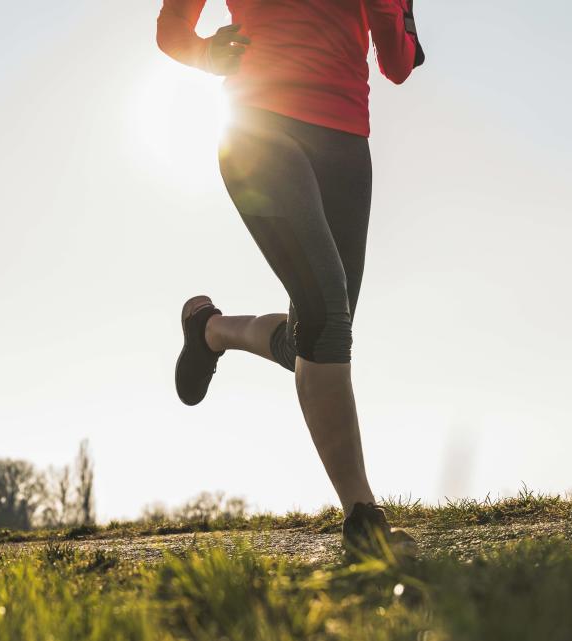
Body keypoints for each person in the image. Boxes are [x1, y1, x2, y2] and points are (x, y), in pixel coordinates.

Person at [157, 0, 425, 558]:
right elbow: (171, 28)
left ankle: (211, 331)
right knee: (327, 312)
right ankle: (362, 520)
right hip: (258, 128)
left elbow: (398, 63)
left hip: (347, 145)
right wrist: (206, 52)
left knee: (322, 331)